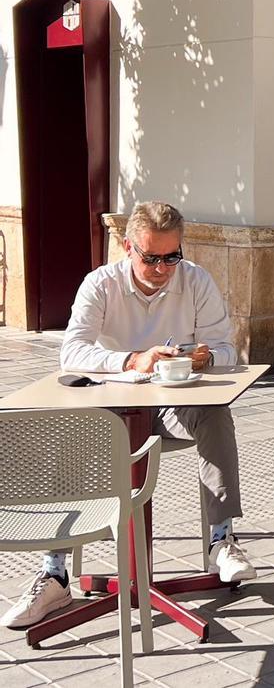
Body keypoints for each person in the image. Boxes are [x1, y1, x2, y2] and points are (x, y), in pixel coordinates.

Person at [2, 202, 255, 630]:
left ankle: (221, 540)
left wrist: (204, 356)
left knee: (215, 414)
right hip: (111, 411)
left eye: (171, 257)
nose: (162, 268)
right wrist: (134, 360)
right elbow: (72, 352)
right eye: (151, 257)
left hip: (172, 407)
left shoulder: (196, 280)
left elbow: (230, 351)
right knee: (69, 430)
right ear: (126, 247)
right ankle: (54, 572)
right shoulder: (100, 284)